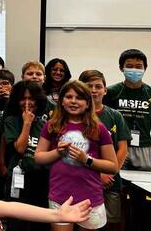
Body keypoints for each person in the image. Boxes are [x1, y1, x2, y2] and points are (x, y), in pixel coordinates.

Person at [35, 80, 118, 230]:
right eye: (68, 97)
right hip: (60, 196)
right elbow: (39, 157)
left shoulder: (99, 128)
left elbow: (113, 166)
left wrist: (86, 160)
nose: (73, 101)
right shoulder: (52, 125)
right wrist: (57, 152)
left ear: (87, 103)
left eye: (79, 98)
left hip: (90, 198)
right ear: (61, 101)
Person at [79, 70, 130, 230]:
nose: (94, 90)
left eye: (98, 86)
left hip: (110, 182)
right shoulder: (75, 115)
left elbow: (122, 148)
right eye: (89, 86)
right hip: (83, 180)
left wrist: (109, 172)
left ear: (105, 90)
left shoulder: (115, 116)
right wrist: (97, 174)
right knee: (85, 222)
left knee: (112, 222)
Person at [104, 49, 151, 171]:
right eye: (129, 66)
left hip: (143, 148)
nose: (134, 70)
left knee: (142, 187)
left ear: (145, 68)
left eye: (138, 66)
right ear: (121, 68)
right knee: (116, 185)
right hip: (116, 147)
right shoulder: (110, 92)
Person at [2, 81, 49, 231]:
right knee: (17, 224)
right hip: (17, 180)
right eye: (23, 98)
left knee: (39, 224)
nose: (27, 103)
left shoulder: (45, 125)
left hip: (41, 180)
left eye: (31, 99)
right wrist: (27, 123)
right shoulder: (11, 121)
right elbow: (20, 148)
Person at [0, 69, 15, 199]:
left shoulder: (16, 105)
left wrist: (10, 100)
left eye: (5, 83)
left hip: (8, 154)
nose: (1, 87)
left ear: (12, 86)